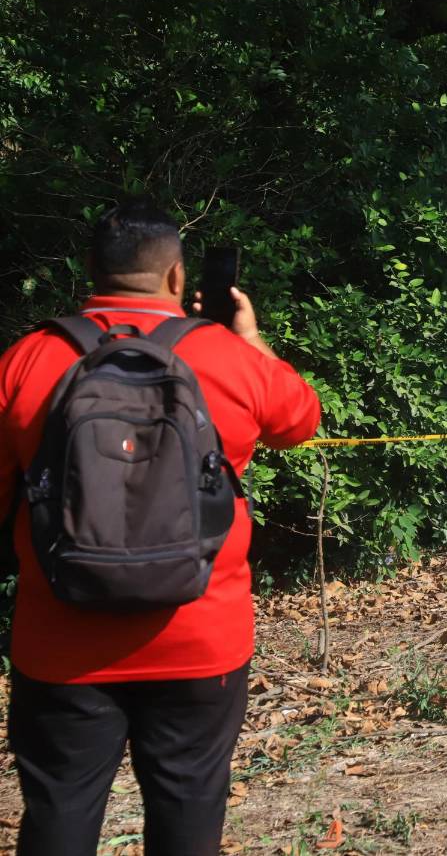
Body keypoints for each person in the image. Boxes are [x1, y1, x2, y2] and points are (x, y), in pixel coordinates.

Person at [0, 199, 321, 855]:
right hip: (201, 639)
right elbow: (301, 420)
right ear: (178, 279)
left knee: (58, 812)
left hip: (61, 641)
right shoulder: (228, 359)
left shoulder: (26, 360)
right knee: (189, 816)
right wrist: (250, 340)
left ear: (89, 271)